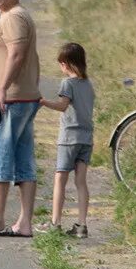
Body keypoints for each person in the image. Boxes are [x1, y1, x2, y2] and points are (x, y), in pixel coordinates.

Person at [0, 0, 42, 238]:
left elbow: (16, 55)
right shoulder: (16, 16)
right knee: (22, 156)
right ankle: (24, 222)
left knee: (0, 154)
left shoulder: (13, 18)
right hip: (23, 97)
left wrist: (1, 90)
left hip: (13, 98)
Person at [39, 42, 94, 237]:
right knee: (81, 181)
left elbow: (62, 106)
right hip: (86, 138)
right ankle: (81, 225)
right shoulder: (88, 84)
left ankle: (55, 223)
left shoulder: (67, 84)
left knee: (60, 179)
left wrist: (44, 102)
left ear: (66, 64)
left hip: (69, 137)